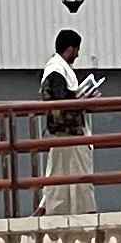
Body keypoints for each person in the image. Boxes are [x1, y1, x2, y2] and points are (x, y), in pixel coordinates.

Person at [38, 27, 102, 214]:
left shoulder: (56, 69)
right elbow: (61, 102)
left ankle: (48, 213)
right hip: (70, 135)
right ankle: (85, 217)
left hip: (64, 135)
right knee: (78, 179)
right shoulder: (57, 71)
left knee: (58, 180)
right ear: (71, 49)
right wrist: (83, 101)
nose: (78, 54)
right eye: (77, 50)